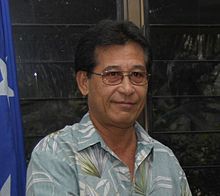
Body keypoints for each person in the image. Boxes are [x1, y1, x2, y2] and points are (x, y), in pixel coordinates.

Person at [26, 20, 192, 196]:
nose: (127, 89)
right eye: (113, 75)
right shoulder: (56, 154)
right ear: (84, 83)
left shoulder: (165, 160)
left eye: (137, 75)